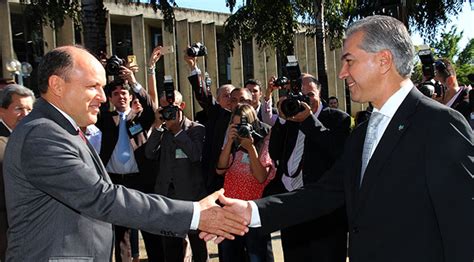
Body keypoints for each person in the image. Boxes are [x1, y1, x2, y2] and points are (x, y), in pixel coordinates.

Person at [204, 15, 474, 262]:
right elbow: (324, 193)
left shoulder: (440, 124)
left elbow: (464, 230)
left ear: (383, 61)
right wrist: (252, 212)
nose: (343, 72)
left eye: (350, 61)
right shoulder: (362, 134)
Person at [2, 45, 248, 262]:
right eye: (93, 86)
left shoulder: (59, 129)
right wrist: (194, 214)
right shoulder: (43, 134)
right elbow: (101, 198)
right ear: (56, 85)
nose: (101, 96)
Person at [267, 74, 350, 262]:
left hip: (324, 210)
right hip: (291, 203)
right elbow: (275, 153)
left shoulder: (338, 118)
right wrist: (281, 119)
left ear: (320, 94)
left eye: (310, 95)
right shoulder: (290, 118)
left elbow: (336, 152)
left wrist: (308, 121)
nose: (305, 100)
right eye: (300, 95)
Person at [145, 90, 208, 262]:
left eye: (171, 107)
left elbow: (195, 155)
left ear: (182, 106)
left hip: (191, 197)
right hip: (167, 197)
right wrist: (157, 127)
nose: (167, 111)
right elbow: (149, 153)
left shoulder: (196, 129)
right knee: (171, 248)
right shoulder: (162, 131)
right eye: (164, 107)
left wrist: (179, 131)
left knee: (198, 245)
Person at [216, 104, 274, 262]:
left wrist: (251, 148)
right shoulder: (232, 143)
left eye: (243, 125)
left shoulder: (264, 141)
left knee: (257, 257)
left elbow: (261, 177)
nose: (240, 129)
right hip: (230, 213)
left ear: (252, 124)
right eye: (235, 125)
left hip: (253, 213)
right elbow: (220, 169)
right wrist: (229, 142)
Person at [0, 84, 35, 261]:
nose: (25, 115)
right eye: (19, 108)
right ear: (1, 111)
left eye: (29, 109)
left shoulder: (26, 137)